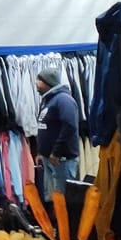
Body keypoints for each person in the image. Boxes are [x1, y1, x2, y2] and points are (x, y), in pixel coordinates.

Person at [35, 67, 80, 201]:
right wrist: (41, 152)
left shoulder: (63, 100)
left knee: (63, 198)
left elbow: (69, 126)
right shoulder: (48, 100)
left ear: (48, 82)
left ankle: (65, 222)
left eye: (39, 80)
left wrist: (57, 152)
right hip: (50, 158)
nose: (36, 82)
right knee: (52, 198)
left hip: (61, 160)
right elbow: (45, 127)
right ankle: (55, 222)